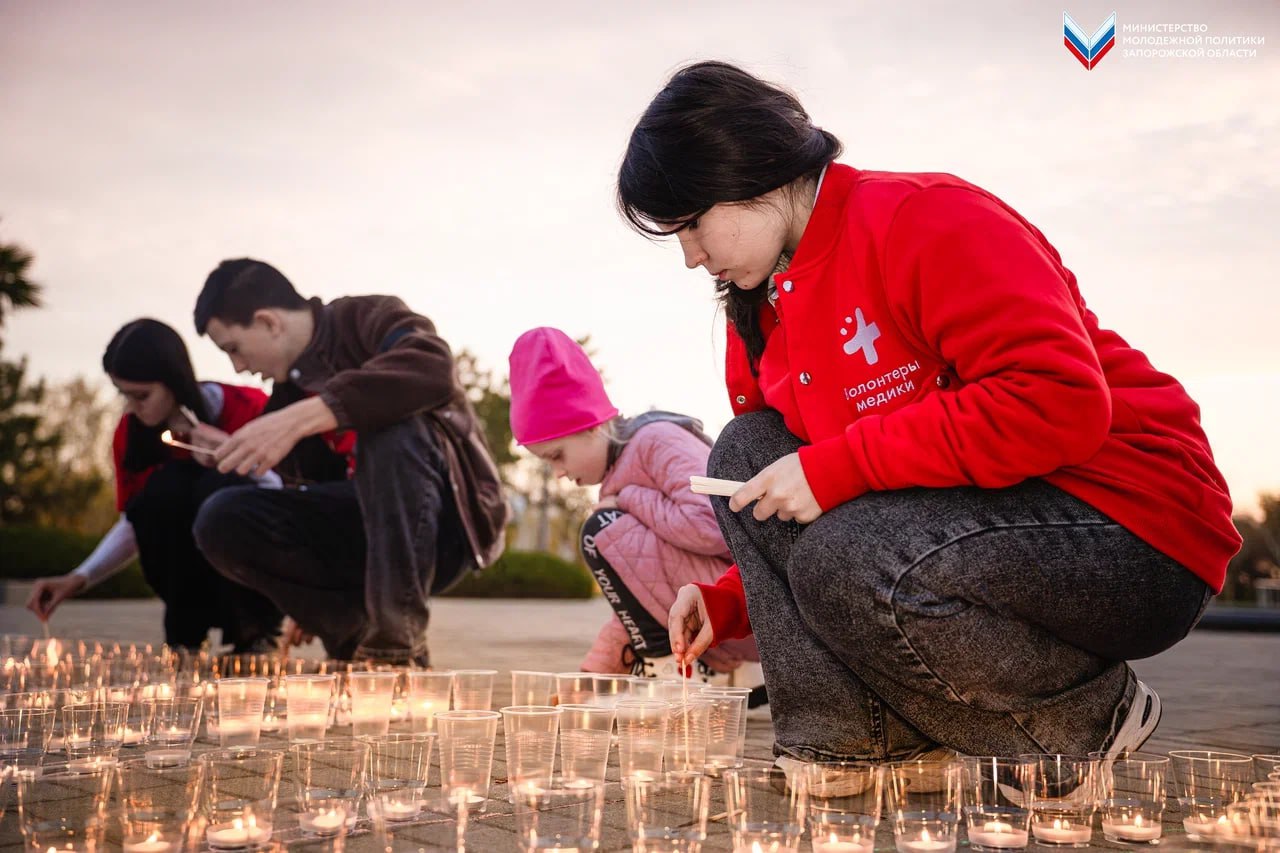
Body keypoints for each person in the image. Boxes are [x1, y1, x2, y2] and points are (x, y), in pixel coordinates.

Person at [616, 61, 1241, 765]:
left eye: (694, 225)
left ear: (754, 171)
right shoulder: (758, 310)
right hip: (970, 527)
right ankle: (858, 744)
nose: (692, 258)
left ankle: (1080, 719)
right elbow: (788, 492)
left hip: (1127, 523)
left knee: (839, 552)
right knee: (744, 451)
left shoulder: (920, 217)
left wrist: (841, 464)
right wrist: (729, 598)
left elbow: (1059, 401)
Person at [190, 259, 508, 665]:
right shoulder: (286, 396)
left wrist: (310, 415)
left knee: (391, 428)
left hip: (447, 525)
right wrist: (313, 598)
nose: (238, 367)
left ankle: (396, 649)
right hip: (367, 539)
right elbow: (310, 507)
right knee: (221, 517)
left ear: (269, 322)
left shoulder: (365, 317)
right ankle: (352, 636)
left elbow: (433, 367)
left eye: (233, 348)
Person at [507, 327, 763, 690]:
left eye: (556, 456)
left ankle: (671, 672)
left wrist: (628, 498)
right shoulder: (616, 485)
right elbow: (635, 604)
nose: (559, 473)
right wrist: (591, 680)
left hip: (744, 609)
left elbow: (715, 523)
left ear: (592, 426)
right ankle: (675, 669)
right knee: (603, 528)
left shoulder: (655, 441)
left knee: (600, 528)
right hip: (718, 619)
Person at [26, 318, 282, 652]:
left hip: (254, 580)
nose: (132, 407)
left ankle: (255, 635)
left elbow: (285, 503)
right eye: (124, 395)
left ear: (174, 381)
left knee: (220, 488)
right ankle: (184, 639)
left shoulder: (248, 408)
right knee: (165, 489)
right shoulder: (130, 434)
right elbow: (136, 520)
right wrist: (78, 578)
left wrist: (236, 451)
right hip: (188, 585)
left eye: (142, 395)